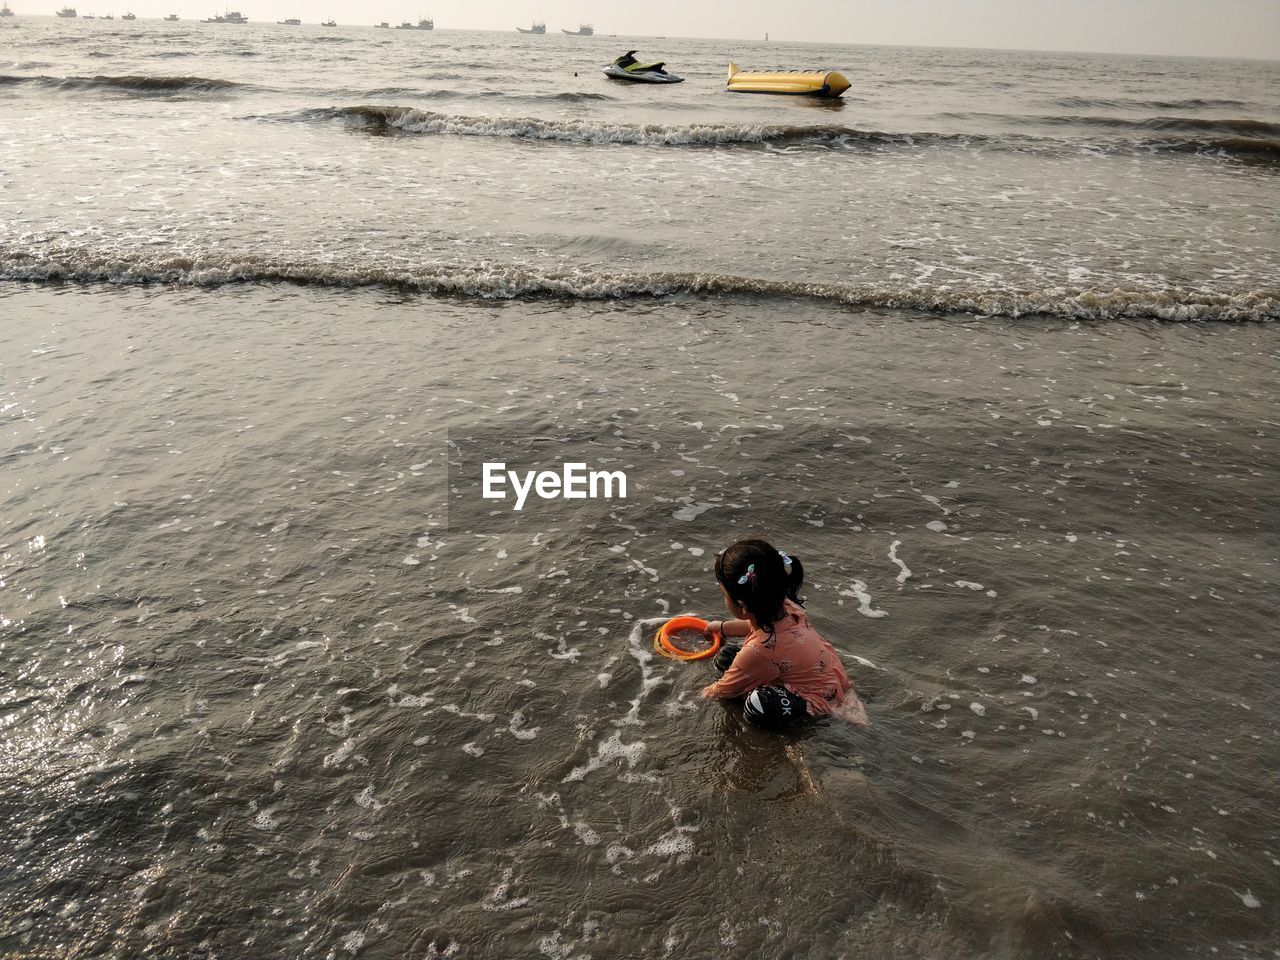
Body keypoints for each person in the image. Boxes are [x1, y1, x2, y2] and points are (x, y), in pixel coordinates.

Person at [702, 539, 869, 729]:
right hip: (834, 682)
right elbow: (754, 626)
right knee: (727, 658)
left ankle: (797, 733)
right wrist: (722, 627)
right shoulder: (786, 606)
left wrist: (693, 696)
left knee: (758, 704)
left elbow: (721, 691)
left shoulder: (760, 649)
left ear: (742, 605)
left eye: (724, 594)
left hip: (819, 705)